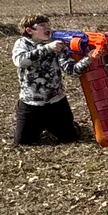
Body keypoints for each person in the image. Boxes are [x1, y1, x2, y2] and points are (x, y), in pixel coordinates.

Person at [11, 14, 102, 146]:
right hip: (31, 104)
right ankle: (39, 126)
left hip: (56, 102)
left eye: (48, 24)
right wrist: (48, 48)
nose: (48, 28)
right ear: (29, 31)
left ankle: (66, 125)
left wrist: (89, 59)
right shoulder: (22, 43)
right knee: (22, 142)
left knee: (70, 138)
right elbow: (20, 61)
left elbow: (72, 71)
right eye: (42, 25)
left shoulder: (58, 44)